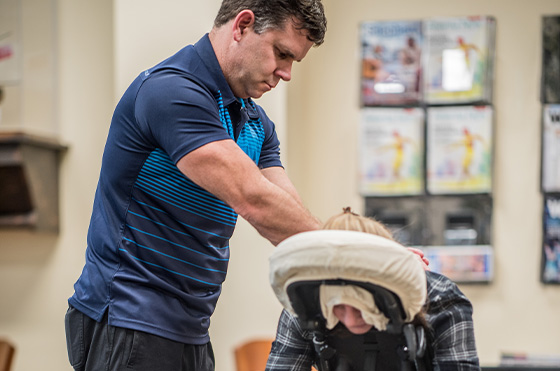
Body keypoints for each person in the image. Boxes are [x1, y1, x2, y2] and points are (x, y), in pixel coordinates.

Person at [65, 1, 327, 370]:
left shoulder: (256, 121)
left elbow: (287, 214)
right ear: (242, 25)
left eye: (293, 62)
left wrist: (355, 260)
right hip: (128, 317)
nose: (285, 73)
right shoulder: (171, 91)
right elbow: (254, 199)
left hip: (192, 327)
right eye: (281, 53)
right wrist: (362, 256)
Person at [266, 208, 480, 371]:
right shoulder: (304, 305)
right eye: (338, 307)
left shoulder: (441, 298)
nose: (350, 319)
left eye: (362, 304)